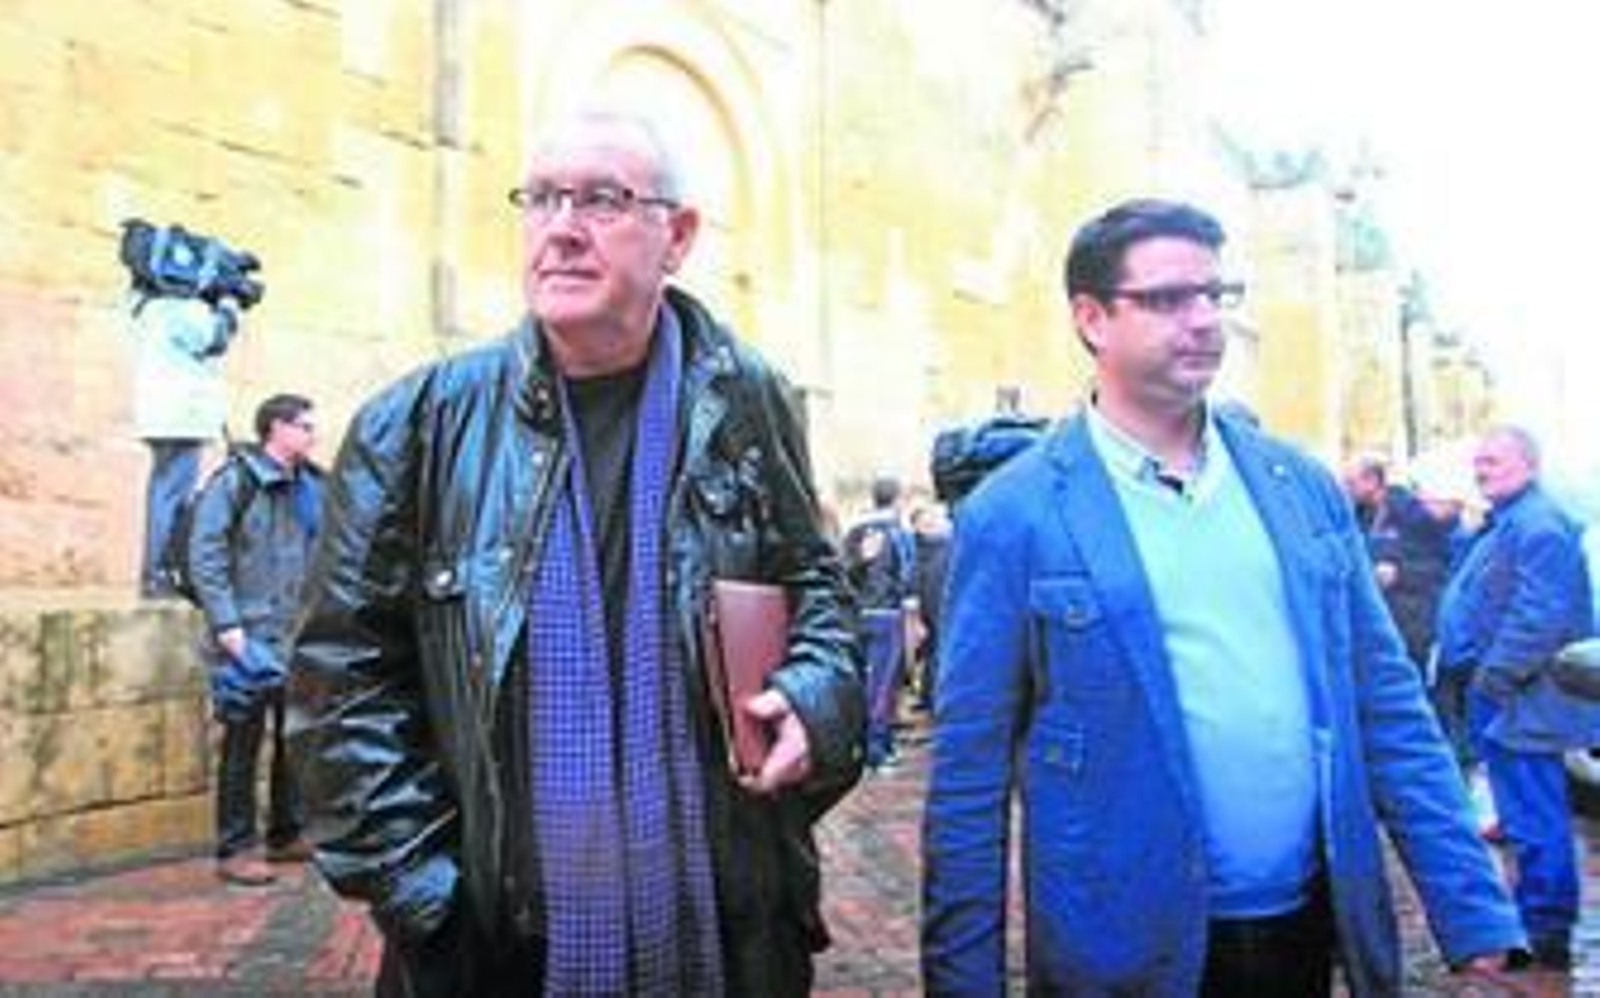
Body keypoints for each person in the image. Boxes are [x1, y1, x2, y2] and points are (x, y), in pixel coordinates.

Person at [287, 110, 865, 997]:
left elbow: (815, 587)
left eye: (601, 199)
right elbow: (341, 681)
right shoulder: (418, 424)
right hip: (495, 945)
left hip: (722, 925)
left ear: (677, 236)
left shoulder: (749, 399)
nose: (561, 228)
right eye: (542, 199)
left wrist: (816, 698)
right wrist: (425, 894)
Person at [921, 199, 1524, 995]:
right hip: (1119, 946)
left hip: (1302, 926)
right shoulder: (1017, 512)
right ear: (1093, 317)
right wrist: (963, 980)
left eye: (1218, 293)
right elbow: (968, 772)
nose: (1206, 319)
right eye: (1169, 299)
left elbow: (1385, 702)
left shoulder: (1298, 485)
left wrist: (1470, 903)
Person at [1435, 424, 1600, 970]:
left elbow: (1540, 617)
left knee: (1535, 816)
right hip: (1508, 694)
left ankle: (1545, 932)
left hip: (1523, 697)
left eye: (1496, 462)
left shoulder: (1538, 524)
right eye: (1479, 461)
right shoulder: (1510, 520)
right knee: (1523, 812)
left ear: (1529, 464)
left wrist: (1493, 677)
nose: (1483, 470)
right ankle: (1536, 919)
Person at [188, 392, 322, 885]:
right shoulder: (236, 482)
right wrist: (228, 629)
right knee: (242, 745)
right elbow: (207, 556)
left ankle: (285, 834)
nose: (313, 434)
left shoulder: (312, 485)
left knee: (294, 738)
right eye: (305, 426)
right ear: (276, 429)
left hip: (296, 637)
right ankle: (234, 848)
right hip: (246, 637)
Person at [128, 292, 240, 597]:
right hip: (179, 415)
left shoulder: (150, 304)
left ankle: (161, 573)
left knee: (167, 492)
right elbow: (214, 338)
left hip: (166, 413)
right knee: (171, 495)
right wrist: (229, 306)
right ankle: (159, 574)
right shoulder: (182, 307)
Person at [842, 475, 918, 770]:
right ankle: (877, 751)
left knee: (864, 683)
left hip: (858, 615)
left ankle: (870, 746)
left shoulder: (855, 531)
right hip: (887, 616)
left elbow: (843, 574)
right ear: (897, 499)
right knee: (884, 686)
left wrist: (861, 560)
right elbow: (908, 577)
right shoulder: (898, 533)